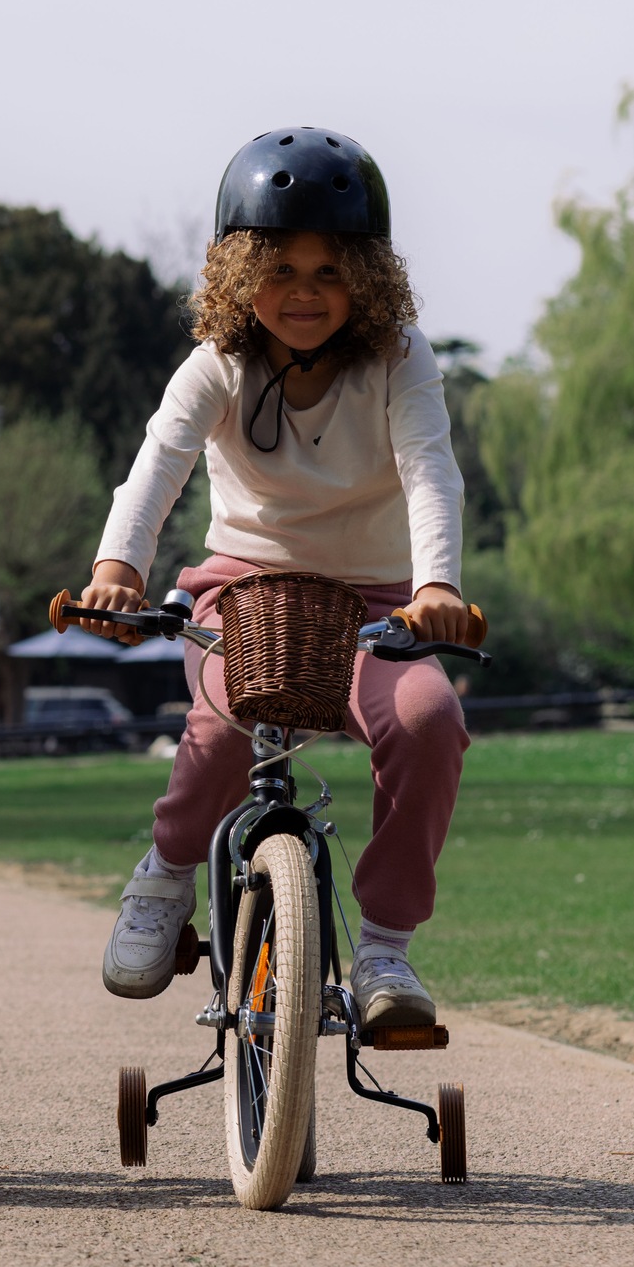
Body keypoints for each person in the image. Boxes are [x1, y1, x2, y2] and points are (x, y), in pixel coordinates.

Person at [79, 128, 470, 1031]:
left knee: (430, 720)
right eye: (280, 270)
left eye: (330, 273)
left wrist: (438, 586)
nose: (304, 294)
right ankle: (166, 877)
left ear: (367, 281)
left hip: (376, 604)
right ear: (239, 271)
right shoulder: (221, 359)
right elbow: (158, 464)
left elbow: (430, 470)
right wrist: (115, 568)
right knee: (224, 723)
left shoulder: (399, 358)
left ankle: (384, 951)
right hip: (241, 595)